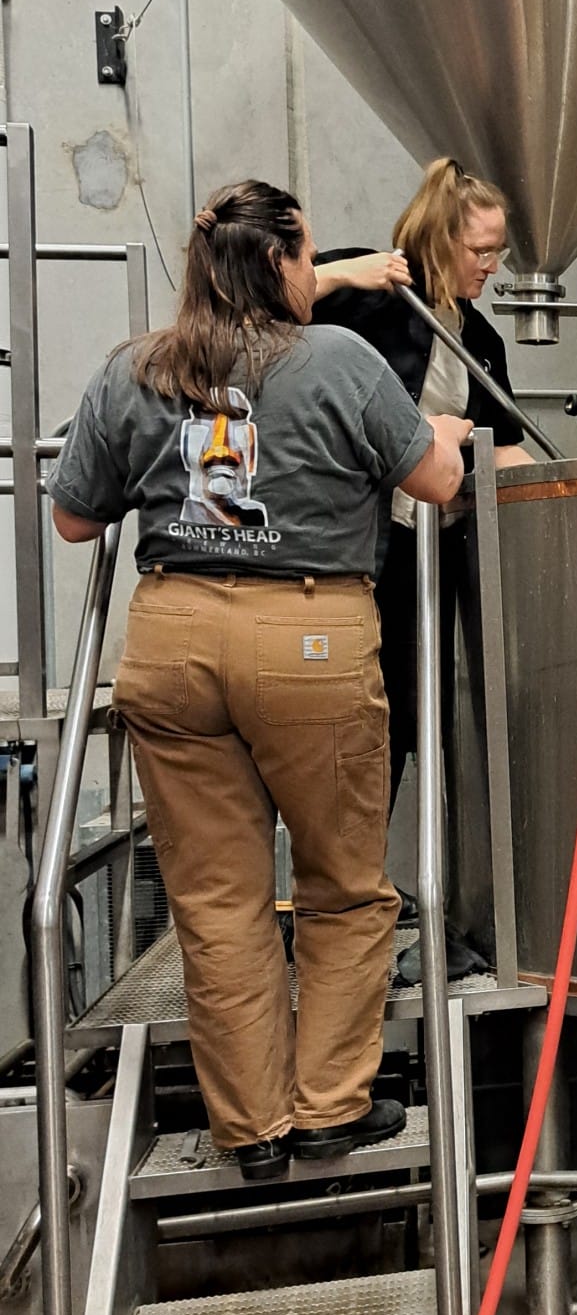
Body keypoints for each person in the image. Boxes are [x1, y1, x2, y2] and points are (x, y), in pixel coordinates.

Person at [49, 179, 471, 1184]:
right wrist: (441, 440)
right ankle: (329, 1108)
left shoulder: (135, 367)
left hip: (172, 640)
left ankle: (252, 1131)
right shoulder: (341, 360)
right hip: (309, 642)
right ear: (281, 262)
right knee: (343, 886)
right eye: (309, 255)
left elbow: (73, 519)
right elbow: (439, 487)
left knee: (217, 898)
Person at [312, 160, 532, 829]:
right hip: (346, 551)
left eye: (499, 251)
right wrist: (346, 272)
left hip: (421, 553)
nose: (492, 265)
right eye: (482, 250)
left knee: (409, 714)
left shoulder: (479, 340)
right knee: (342, 716)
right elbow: (248, 296)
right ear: (440, 239)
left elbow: (505, 444)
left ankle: (367, 880)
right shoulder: (369, 291)